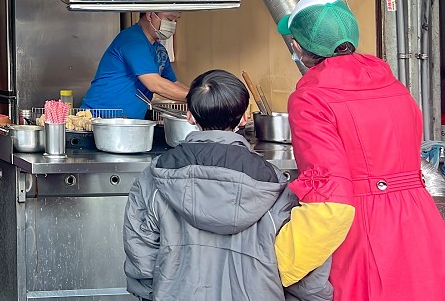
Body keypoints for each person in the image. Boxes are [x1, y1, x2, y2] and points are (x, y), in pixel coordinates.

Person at [279, 0, 445, 300]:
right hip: (420, 227)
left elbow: (330, 203)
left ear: (299, 47)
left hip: (364, 233)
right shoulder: (392, 84)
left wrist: (276, 264)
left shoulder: (310, 98)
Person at [123, 69, 340, 301]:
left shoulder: (153, 179)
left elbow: (141, 257)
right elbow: (303, 264)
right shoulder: (275, 185)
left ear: (190, 117)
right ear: (244, 118)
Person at [81, 11, 188, 119]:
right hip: (98, 119)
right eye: (169, 19)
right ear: (150, 15)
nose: (173, 24)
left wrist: (200, 94)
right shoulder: (133, 39)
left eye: (176, 20)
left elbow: (174, 83)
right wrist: (195, 98)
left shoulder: (160, 50)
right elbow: (155, 84)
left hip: (129, 124)